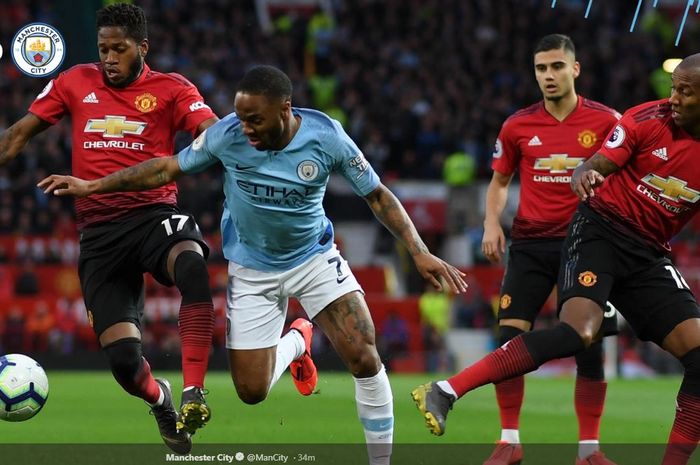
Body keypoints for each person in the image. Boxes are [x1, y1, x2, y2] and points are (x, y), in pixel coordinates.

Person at [38, 64, 469, 465]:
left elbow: (376, 195)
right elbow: (167, 167)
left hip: (313, 258)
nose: (246, 129)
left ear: (285, 109)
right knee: (251, 391)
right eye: (241, 118)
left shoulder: (326, 136)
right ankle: (299, 340)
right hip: (251, 269)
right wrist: (94, 185)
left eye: (255, 120)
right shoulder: (227, 135)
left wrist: (417, 250)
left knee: (363, 355)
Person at [410, 53, 700, 465]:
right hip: (599, 231)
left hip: (649, 254)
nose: (673, 98)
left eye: (685, 92)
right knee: (579, 332)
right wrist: (586, 171)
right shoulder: (645, 119)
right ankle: (447, 390)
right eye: (673, 88)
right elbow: (596, 163)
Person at [0, 3, 219, 454]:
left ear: (143, 47)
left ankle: (195, 390)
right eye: (103, 49)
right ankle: (161, 399)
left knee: (193, 265)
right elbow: (19, 134)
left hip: (154, 215)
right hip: (99, 234)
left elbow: (216, 136)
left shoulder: (172, 90)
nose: (109, 58)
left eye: (119, 49)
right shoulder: (74, 82)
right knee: (123, 362)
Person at [476, 34, 620, 465]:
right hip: (530, 245)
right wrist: (490, 224)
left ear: (575, 69)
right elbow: (500, 182)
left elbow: (626, 176)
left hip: (586, 244)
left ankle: (589, 451)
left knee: (588, 346)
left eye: (557, 66)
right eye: (541, 68)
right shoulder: (517, 125)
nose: (548, 76)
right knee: (508, 341)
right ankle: (509, 441)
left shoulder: (608, 121)